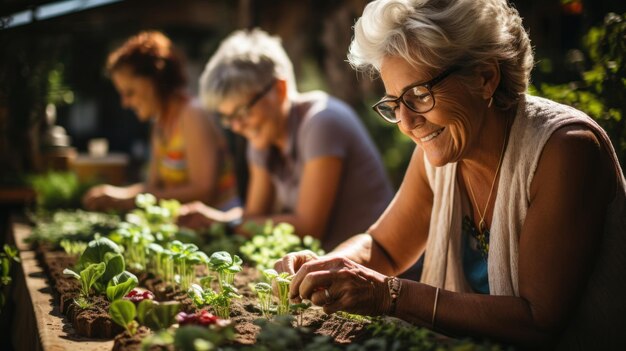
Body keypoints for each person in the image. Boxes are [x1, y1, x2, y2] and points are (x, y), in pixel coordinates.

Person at [275, 0, 626, 349]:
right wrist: (329, 268)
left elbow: (538, 320)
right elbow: (384, 246)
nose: (408, 123)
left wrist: (390, 295)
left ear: (485, 77)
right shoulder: (440, 150)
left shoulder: (566, 149)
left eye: (419, 95)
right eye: (394, 104)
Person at [177, 29, 394, 251]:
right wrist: (214, 220)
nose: (237, 126)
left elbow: (308, 226)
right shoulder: (263, 137)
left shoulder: (322, 122)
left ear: (279, 89)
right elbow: (255, 216)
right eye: (228, 117)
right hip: (330, 268)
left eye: (242, 111)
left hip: (380, 271)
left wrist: (224, 223)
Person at [82, 31, 240, 212]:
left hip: (222, 225)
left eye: (130, 92)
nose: (125, 103)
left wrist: (131, 199)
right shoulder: (160, 124)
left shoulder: (192, 114)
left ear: (155, 80)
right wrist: (117, 194)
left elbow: (204, 191)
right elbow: (154, 187)